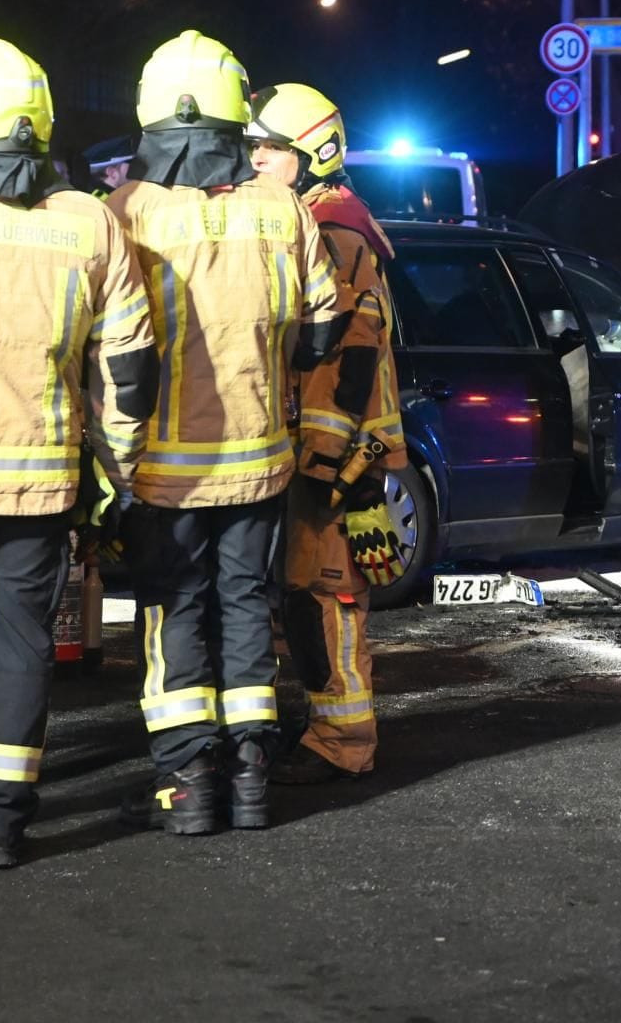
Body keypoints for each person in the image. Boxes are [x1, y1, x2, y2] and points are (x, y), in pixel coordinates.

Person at [0, 38, 158, 867]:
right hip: (38, 482)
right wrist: (120, 474)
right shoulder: (87, 221)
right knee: (21, 650)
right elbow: (130, 370)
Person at [108, 31, 342, 836]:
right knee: (246, 603)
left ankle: (187, 781)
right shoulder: (281, 208)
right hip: (261, 460)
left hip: (163, 470)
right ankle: (249, 775)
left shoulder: (125, 213)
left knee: (175, 612)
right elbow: (320, 332)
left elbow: (107, 350)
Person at [245, 83, 405, 784]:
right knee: (302, 600)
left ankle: (342, 745)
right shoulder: (322, 220)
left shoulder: (335, 233)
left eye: (268, 149)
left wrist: (328, 460)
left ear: (312, 154)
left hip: (333, 460)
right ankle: (320, 728)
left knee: (328, 601)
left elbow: (342, 364)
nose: (255, 160)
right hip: (327, 455)